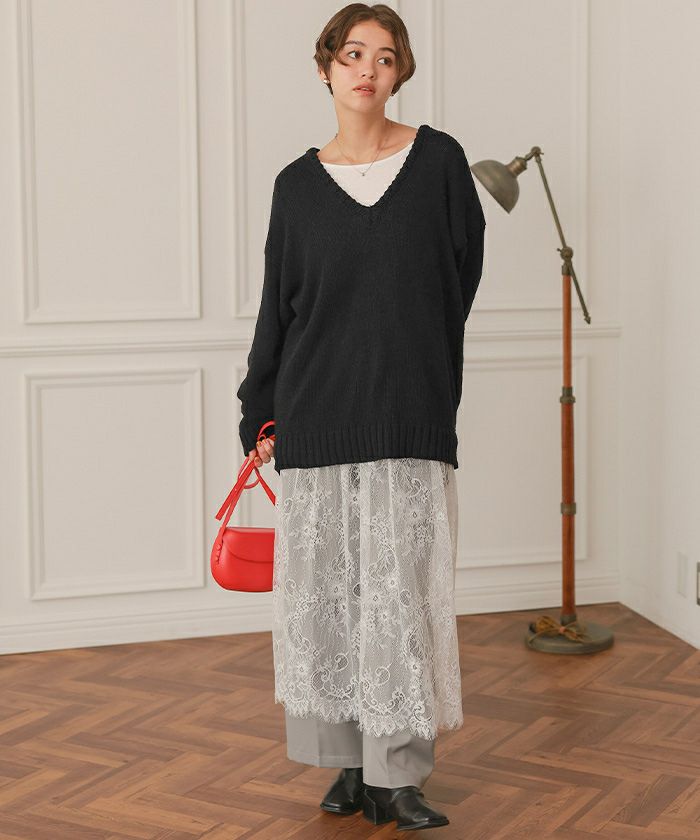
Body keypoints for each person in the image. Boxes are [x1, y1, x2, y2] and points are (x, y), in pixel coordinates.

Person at [237, 2, 486, 831]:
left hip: (408, 411)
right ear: (326, 67)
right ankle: (347, 766)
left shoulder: (439, 161)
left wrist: (417, 360)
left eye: (384, 56)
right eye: (352, 54)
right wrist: (259, 408)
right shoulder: (296, 186)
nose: (367, 70)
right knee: (328, 602)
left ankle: (398, 776)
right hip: (316, 413)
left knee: (402, 599)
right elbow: (279, 306)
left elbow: (458, 279)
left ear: (400, 71)